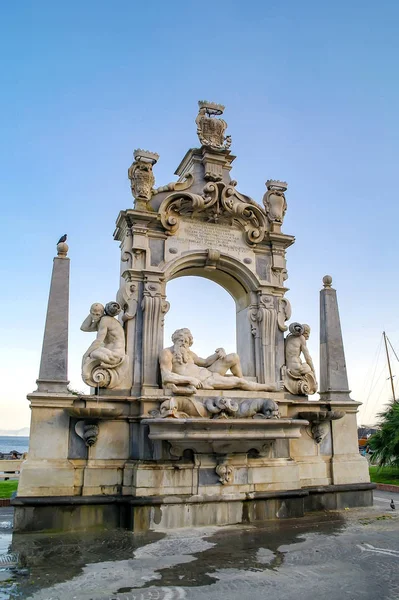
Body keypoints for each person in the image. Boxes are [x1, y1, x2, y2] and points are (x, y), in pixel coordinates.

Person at [159, 328, 281, 391]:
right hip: (206, 382)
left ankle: (244, 381)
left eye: (186, 341)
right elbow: (166, 377)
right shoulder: (167, 353)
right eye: (180, 340)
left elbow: (205, 362)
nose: (183, 344)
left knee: (233, 357)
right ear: (174, 340)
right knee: (239, 383)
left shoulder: (189, 353)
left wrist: (218, 353)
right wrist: (191, 380)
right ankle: (268, 387)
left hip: (209, 373)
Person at [81, 302, 125, 367]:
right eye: (93, 314)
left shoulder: (105, 320)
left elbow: (98, 341)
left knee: (90, 355)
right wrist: (92, 314)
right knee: (91, 355)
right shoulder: (100, 321)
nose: (95, 317)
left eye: (97, 314)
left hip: (115, 355)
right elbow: (84, 328)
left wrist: (85, 355)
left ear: (102, 313)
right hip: (109, 352)